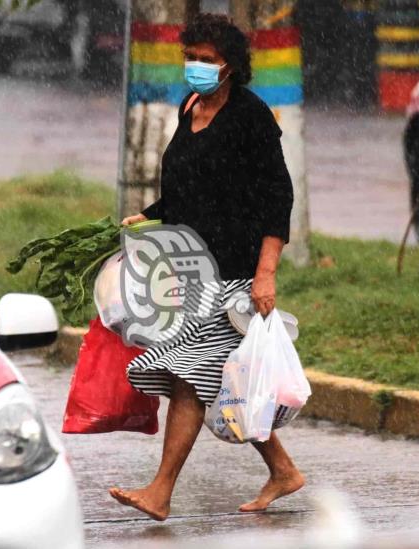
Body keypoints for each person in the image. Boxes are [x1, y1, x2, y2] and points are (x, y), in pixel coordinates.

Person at [112, 13, 303, 521]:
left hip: (237, 273)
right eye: (189, 58)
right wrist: (152, 216)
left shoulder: (251, 117)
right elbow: (187, 185)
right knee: (219, 379)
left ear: (230, 66)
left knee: (187, 376)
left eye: (206, 60)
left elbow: (276, 199)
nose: (195, 67)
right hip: (194, 271)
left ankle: (161, 490)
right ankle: (283, 470)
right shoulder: (190, 105)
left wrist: (266, 273)